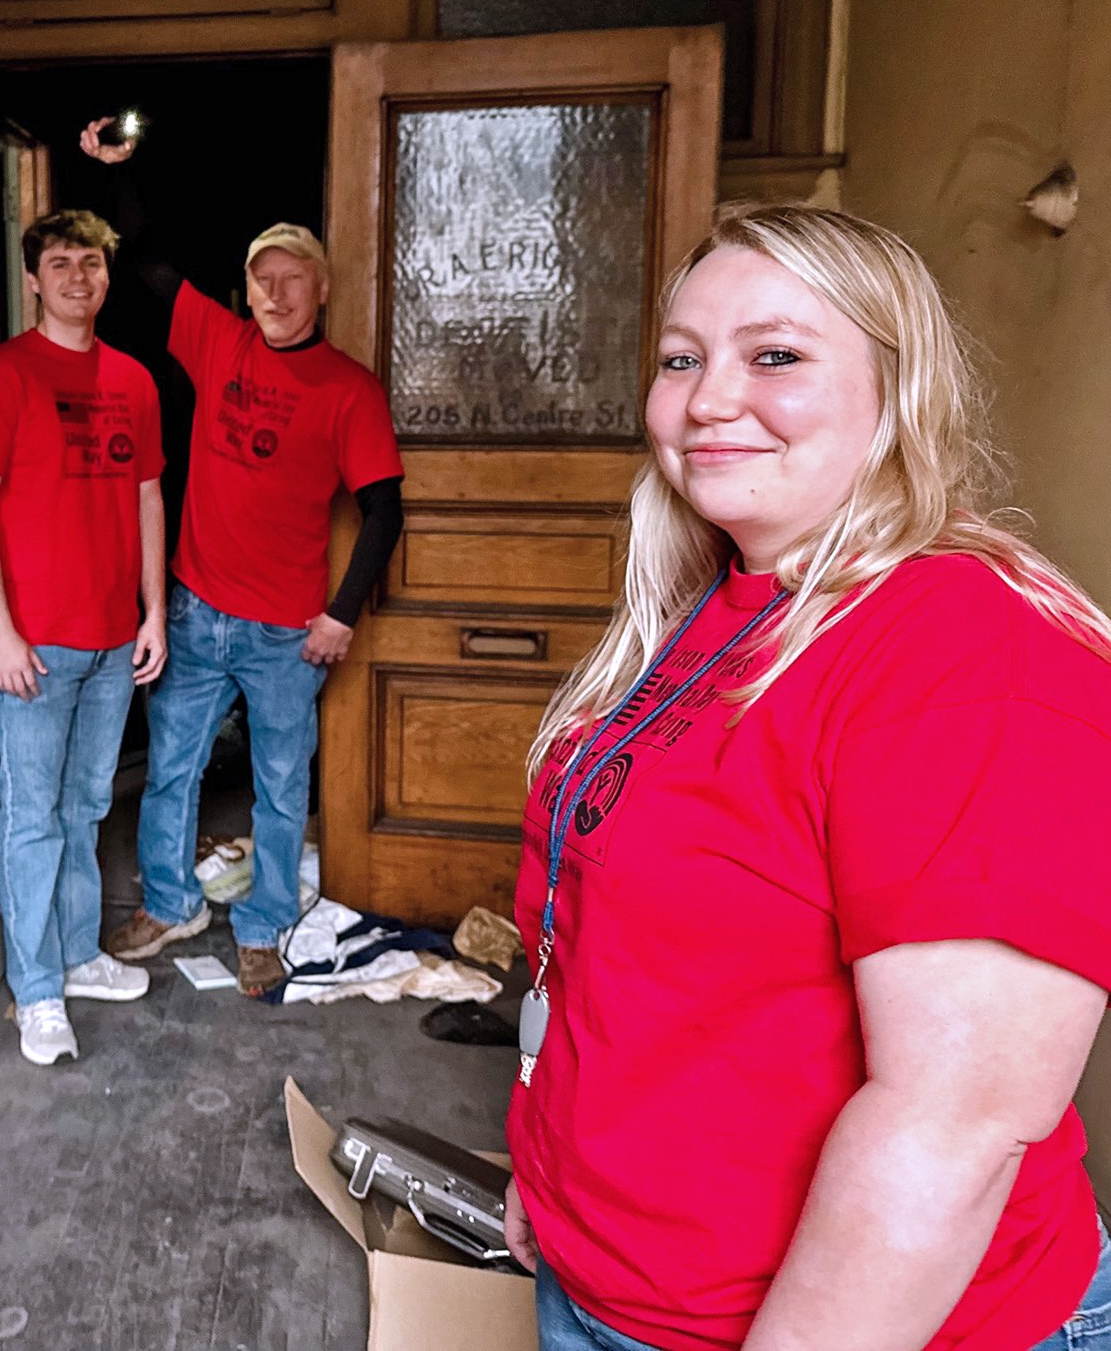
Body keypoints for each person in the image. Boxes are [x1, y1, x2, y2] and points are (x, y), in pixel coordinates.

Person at [505, 202, 1111, 1351]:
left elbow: (948, 1125)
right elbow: (604, 952)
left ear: (896, 386)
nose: (706, 399)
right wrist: (547, 1169)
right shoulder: (721, 602)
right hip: (607, 1280)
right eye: (679, 358)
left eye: (774, 354)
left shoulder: (969, 653)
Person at [84, 123, 405, 998]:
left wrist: (341, 614)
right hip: (196, 608)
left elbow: (384, 509)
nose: (274, 292)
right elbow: (148, 259)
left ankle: (262, 927)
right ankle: (171, 903)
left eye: (292, 278)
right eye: (262, 277)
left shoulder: (349, 389)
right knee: (171, 771)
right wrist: (122, 170)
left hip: (285, 632)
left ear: (321, 290)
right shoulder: (219, 340)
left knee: (279, 786)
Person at [0, 208, 169, 1065]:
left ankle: (78, 954)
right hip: (35, 643)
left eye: (93, 263)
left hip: (112, 641)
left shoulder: (134, 380)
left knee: (86, 807)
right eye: (63, 263)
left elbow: (147, 496)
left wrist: (153, 611)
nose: (80, 277)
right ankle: (37, 989)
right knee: (33, 817)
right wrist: (0, 632)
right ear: (33, 279)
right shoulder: (3, 377)